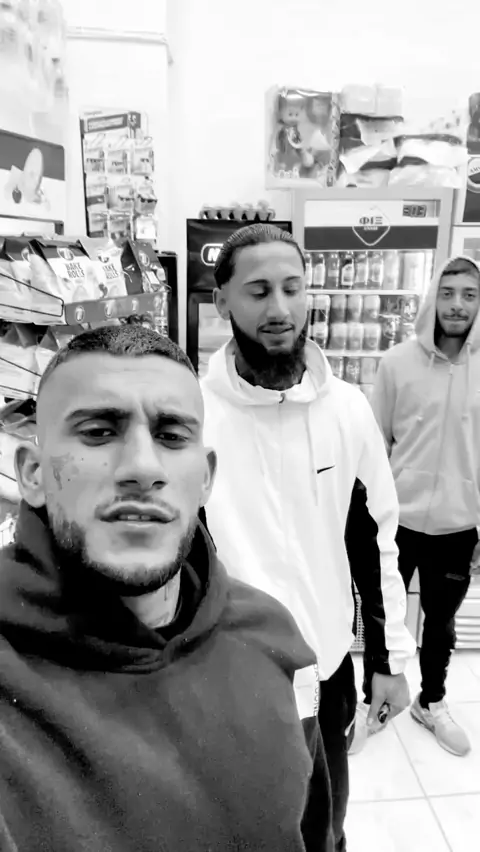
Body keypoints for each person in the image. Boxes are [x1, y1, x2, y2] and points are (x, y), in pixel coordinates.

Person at [0, 324, 335, 852]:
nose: (142, 467)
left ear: (204, 479)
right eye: (98, 432)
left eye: (172, 436)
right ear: (33, 474)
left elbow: (315, 829)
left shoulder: (276, 641)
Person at [200, 223, 416, 852]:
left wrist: (388, 661)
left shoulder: (346, 410)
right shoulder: (194, 416)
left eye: (292, 288)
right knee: (243, 829)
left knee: (324, 827)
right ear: (222, 301)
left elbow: (375, 542)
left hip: (326, 670)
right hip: (230, 678)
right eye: (258, 291)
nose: (280, 309)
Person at [358, 255, 480, 758]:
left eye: (469, 294)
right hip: (395, 522)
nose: (457, 305)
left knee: (441, 623)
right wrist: (364, 518)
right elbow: (375, 445)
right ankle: (372, 703)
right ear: (433, 299)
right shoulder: (396, 364)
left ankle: (431, 702)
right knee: (380, 618)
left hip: (457, 525)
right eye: (448, 293)